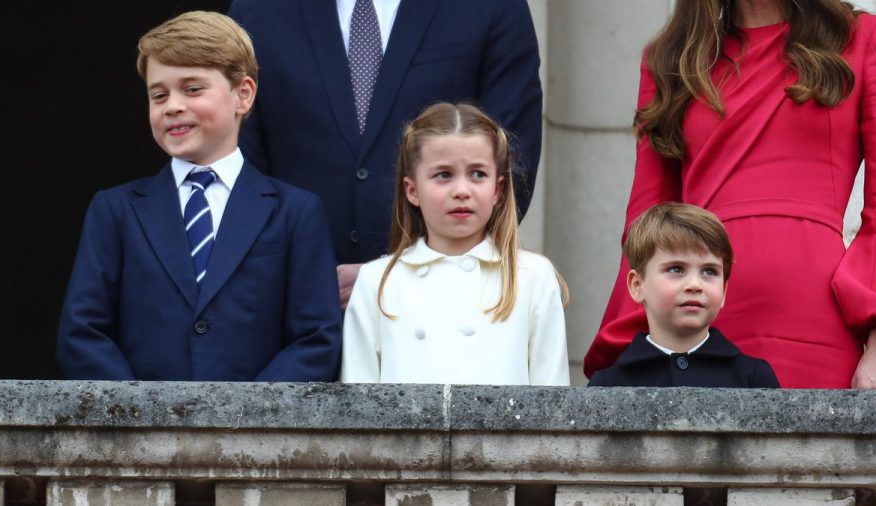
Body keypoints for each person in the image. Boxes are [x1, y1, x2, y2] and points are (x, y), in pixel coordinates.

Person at [584, 0, 876, 389]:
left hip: (816, 323)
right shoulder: (672, 57)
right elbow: (648, 220)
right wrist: (629, 354)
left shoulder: (861, 38)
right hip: (696, 319)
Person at [57, 11, 342, 381]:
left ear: (243, 95)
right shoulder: (114, 210)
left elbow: (317, 339)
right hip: (141, 432)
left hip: (256, 434)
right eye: (158, 95)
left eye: (192, 89)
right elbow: (82, 332)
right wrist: (139, 415)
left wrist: (246, 416)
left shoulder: (296, 212)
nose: (172, 105)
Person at [227, 0, 544, 304]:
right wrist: (302, 282)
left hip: (444, 310)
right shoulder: (258, 8)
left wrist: (398, 276)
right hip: (298, 313)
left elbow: (510, 162)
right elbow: (241, 166)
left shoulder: (492, 6)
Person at [340, 103, 569, 385]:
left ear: (497, 190)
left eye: (478, 174)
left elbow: (553, 402)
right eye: (443, 175)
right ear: (412, 190)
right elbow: (360, 406)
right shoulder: (376, 282)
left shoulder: (533, 277)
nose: (462, 191)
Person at [588, 203, 780, 388]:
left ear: (724, 291)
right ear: (637, 285)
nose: (695, 285)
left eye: (709, 271)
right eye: (676, 269)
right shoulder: (608, 385)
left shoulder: (754, 379)